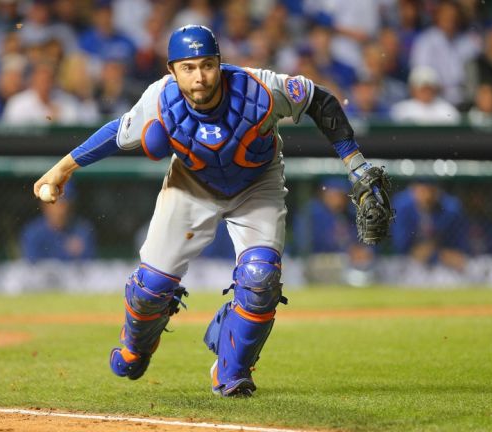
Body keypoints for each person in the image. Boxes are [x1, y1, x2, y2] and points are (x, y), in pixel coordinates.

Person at [32, 25, 389, 397]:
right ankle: (136, 346)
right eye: (188, 68)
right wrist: (62, 169)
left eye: (207, 65)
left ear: (220, 63)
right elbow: (115, 134)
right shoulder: (159, 99)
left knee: (260, 278)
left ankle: (232, 371)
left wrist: (356, 164)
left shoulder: (259, 88)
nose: (199, 77)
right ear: (172, 70)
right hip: (191, 184)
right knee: (151, 288)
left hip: (257, 183)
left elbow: (320, 101)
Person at [391, 179, 469, 271]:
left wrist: (435, 253)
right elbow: (401, 247)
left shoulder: (450, 208)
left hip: (443, 263)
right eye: (423, 190)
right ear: (414, 189)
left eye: (431, 190)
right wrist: (434, 253)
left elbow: (458, 249)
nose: (427, 196)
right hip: (407, 261)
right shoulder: (402, 205)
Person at [20, 183, 96, 263]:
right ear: (44, 204)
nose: (62, 209)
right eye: (56, 203)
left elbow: (89, 266)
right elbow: (31, 267)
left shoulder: (82, 229)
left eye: (65, 203)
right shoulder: (33, 232)